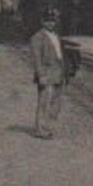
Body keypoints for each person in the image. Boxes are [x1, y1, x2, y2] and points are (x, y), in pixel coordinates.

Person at [29, 9, 67, 139]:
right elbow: (37, 59)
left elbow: (60, 55)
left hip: (57, 73)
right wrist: (41, 75)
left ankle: (48, 126)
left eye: (52, 21)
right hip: (46, 73)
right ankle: (40, 129)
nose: (50, 24)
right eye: (47, 21)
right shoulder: (37, 37)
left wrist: (64, 73)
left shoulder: (56, 36)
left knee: (56, 102)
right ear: (42, 22)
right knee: (44, 102)